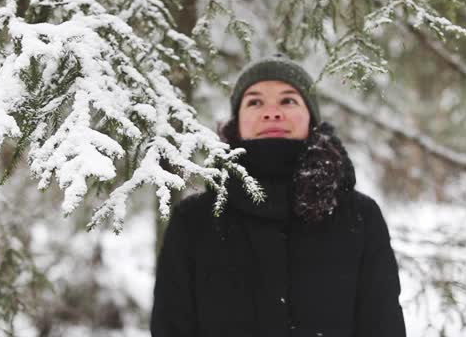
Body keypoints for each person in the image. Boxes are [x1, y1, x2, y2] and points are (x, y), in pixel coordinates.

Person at [151, 54, 406, 337]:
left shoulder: (360, 217)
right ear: (237, 122)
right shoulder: (194, 221)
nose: (272, 112)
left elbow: (383, 326)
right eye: (255, 102)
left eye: (288, 100)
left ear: (312, 118)